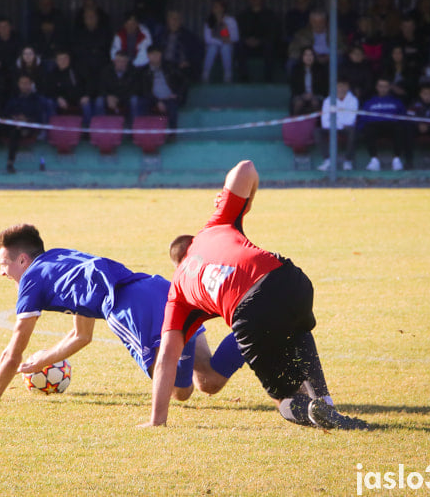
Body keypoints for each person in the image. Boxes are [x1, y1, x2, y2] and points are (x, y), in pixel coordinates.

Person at [143, 160, 367, 429]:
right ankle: (324, 401)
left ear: (177, 265)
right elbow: (246, 168)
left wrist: (157, 421)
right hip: (289, 278)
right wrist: (246, 199)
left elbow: (167, 357)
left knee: (285, 403)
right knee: (297, 329)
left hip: (250, 308)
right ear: (193, 241)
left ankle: (308, 408)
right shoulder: (214, 225)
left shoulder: (178, 289)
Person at [0, 224, 245, 402]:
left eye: (5, 264)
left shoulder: (31, 281)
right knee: (209, 381)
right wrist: (42, 360)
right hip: (160, 288)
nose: (2, 272)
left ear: (23, 260)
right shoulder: (61, 260)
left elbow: (13, 352)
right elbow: (80, 336)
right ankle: (249, 331)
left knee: (180, 391)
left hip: (130, 307)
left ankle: (182, 346)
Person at [360, 77, 408, 171]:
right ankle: (374, 160)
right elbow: (363, 118)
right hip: (374, 126)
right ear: (377, 87)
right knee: (368, 128)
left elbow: (403, 117)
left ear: (389, 87)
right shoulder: (369, 102)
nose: (383, 89)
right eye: (380, 86)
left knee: (400, 128)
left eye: (385, 86)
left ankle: (396, 160)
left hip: (391, 126)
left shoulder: (396, 101)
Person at [138, 46, 186, 130]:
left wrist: (177, 94)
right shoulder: (143, 71)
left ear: (161, 55)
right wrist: (157, 101)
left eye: (157, 54)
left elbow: (183, 82)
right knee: (141, 103)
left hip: (169, 98)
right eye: (152, 54)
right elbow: (144, 90)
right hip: (152, 99)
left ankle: (172, 133)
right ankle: (142, 131)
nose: (155, 56)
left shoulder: (170, 67)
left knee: (173, 107)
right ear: (148, 56)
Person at [236, 0, 280, 83]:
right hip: (246, 44)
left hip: (264, 43)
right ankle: (243, 77)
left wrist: (260, 41)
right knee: (239, 45)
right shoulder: (243, 15)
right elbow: (237, 32)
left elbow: (274, 32)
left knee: (270, 46)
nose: (254, 0)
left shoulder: (270, 14)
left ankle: (268, 78)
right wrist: (246, 40)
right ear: (248, 0)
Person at [316, 78, 358, 172]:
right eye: (339, 86)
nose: (341, 88)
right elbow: (325, 119)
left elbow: (351, 118)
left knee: (353, 131)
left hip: (345, 128)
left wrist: (338, 124)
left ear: (348, 87)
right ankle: (327, 160)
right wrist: (336, 124)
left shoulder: (353, 100)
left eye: (344, 86)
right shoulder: (328, 100)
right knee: (317, 132)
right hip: (331, 127)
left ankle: (348, 161)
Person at [156, 10, 203, 86]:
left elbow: (199, 53)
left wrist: (189, 62)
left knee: (181, 76)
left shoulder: (189, 36)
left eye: (177, 18)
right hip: (165, 67)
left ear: (181, 21)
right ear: (168, 20)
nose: (174, 21)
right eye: (172, 18)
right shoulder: (160, 36)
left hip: (181, 68)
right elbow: (154, 52)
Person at [94, 51, 141, 123]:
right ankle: (101, 126)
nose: (121, 63)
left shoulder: (133, 71)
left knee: (134, 100)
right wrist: (108, 96)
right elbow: (101, 88)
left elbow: (135, 90)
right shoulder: (106, 71)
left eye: (123, 61)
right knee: (99, 101)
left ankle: (134, 126)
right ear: (114, 61)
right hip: (110, 98)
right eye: (118, 61)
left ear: (127, 62)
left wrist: (118, 98)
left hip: (126, 98)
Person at [202, 0, 239, 84]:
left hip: (228, 47)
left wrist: (224, 27)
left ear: (222, 8)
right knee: (213, 48)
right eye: (213, 7)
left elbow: (235, 37)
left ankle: (228, 74)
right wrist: (222, 41)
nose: (214, 8)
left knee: (225, 48)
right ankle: (205, 74)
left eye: (216, 7)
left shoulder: (230, 20)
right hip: (213, 47)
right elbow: (207, 39)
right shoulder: (209, 21)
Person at [288, 47, 327, 118]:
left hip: (316, 95)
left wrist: (313, 95)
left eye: (311, 55)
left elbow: (324, 87)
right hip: (300, 95)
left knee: (315, 103)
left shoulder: (320, 69)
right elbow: (294, 86)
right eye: (306, 55)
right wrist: (304, 95)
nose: (308, 57)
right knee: (298, 103)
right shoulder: (296, 69)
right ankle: (294, 124)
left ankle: (317, 125)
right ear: (302, 57)